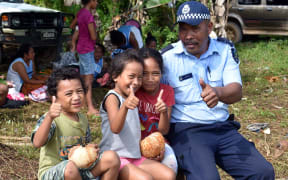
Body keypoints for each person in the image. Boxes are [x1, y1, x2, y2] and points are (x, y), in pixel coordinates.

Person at [161, 1, 275, 180]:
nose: (188, 36)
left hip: (223, 129)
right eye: (183, 29)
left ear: (209, 27)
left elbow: (236, 91)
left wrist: (218, 93)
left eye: (194, 29)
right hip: (187, 131)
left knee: (262, 172)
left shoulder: (224, 50)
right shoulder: (166, 58)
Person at [31, 67, 120, 180]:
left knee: (112, 158)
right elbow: (37, 143)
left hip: (79, 170)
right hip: (55, 173)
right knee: (70, 167)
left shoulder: (82, 119)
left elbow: (84, 145)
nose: (76, 97)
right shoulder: (52, 118)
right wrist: (49, 117)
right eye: (69, 94)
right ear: (55, 97)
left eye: (79, 91)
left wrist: (90, 148)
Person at [99, 49, 175, 180]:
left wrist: (162, 111)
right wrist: (125, 106)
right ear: (115, 76)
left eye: (140, 77)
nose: (136, 82)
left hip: (135, 156)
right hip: (116, 158)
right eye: (131, 76)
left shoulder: (132, 95)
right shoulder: (112, 97)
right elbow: (115, 128)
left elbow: (163, 129)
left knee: (168, 175)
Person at [136, 48, 178, 173]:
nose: (150, 79)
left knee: (171, 166)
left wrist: (164, 112)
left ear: (161, 73)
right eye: (144, 73)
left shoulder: (167, 92)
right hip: (135, 143)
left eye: (155, 73)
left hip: (160, 143)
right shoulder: (134, 92)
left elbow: (164, 130)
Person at [75, 0, 99, 115]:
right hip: (88, 48)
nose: (97, 3)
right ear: (91, 1)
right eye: (96, 1)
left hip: (81, 47)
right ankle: (90, 108)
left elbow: (74, 26)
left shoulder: (80, 13)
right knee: (89, 79)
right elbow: (93, 36)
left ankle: (84, 103)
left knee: (84, 77)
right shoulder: (89, 16)